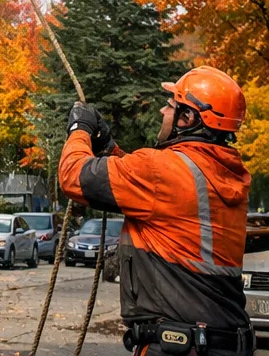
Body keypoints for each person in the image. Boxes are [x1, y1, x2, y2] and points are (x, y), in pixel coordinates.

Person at [59, 67, 254, 356]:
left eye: (171, 106)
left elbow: (74, 176)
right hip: (223, 342)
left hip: (180, 345)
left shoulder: (163, 170)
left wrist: (80, 131)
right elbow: (156, 197)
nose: (163, 111)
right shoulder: (223, 174)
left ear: (187, 119)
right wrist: (110, 149)